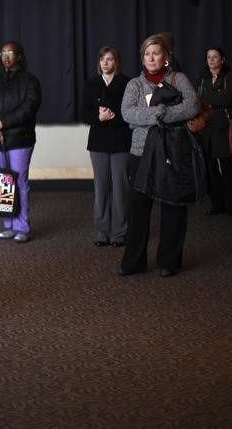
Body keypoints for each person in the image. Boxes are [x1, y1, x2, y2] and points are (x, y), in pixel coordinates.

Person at [119, 33, 199, 277]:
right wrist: (156, 115)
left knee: (173, 207)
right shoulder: (134, 84)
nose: (151, 57)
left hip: (172, 153)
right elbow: (127, 113)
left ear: (166, 57)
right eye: (147, 54)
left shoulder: (179, 79)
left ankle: (169, 262)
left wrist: (162, 114)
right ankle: (134, 262)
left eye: (156, 53)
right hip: (140, 154)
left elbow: (193, 105)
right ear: (142, 58)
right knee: (138, 211)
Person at [0, 41, 42, 243]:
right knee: (2, 182)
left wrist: (3, 124)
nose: (6, 56)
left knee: (19, 182)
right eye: (3, 52)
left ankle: (22, 227)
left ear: (19, 56)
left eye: (10, 52)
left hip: (20, 139)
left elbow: (28, 108)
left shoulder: (30, 81)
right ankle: (9, 226)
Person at [82, 46, 131, 247]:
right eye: (102, 59)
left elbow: (131, 112)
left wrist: (112, 116)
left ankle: (120, 233)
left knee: (120, 188)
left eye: (109, 59)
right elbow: (84, 114)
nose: (105, 62)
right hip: (98, 143)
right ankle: (102, 232)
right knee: (101, 188)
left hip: (121, 142)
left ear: (116, 62)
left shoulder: (127, 83)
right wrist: (98, 117)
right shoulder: (92, 83)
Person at [197, 47, 232, 218]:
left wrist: (207, 98)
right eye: (209, 57)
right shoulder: (203, 78)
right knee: (211, 170)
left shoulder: (230, 76)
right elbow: (198, 101)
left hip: (224, 128)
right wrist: (214, 97)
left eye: (215, 57)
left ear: (222, 59)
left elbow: (226, 99)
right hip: (207, 129)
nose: (211, 60)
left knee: (227, 169)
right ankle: (218, 204)